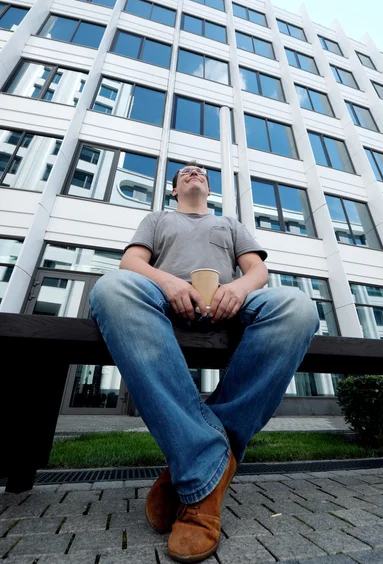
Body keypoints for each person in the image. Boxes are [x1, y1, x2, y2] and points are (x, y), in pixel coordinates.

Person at [89, 162, 320, 563]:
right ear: (175, 189)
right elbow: (131, 263)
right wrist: (169, 282)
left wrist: (239, 288)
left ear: (208, 189)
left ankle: (197, 460)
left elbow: (258, 271)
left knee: (298, 306)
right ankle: (206, 470)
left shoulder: (229, 224)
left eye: (200, 172)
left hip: (231, 303)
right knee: (111, 288)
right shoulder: (158, 218)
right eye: (184, 173)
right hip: (164, 298)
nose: (193, 172)